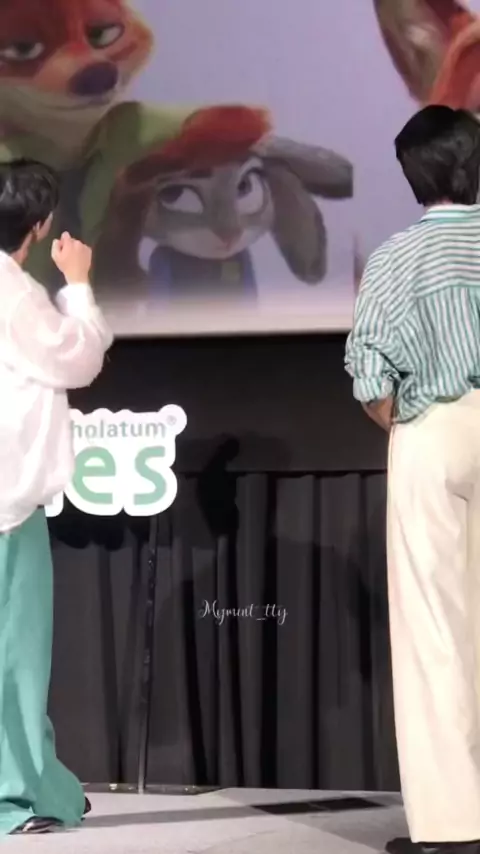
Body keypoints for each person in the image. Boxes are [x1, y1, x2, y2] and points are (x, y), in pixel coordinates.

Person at [345, 105, 480, 854]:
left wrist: (410, 426)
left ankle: (454, 827)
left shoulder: (394, 258)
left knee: (433, 630)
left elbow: (369, 375)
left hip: (429, 431)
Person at [0, 160, 112, 835]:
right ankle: (14, 798)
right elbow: (78, 356)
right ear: (40, 227)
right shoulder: (14, 293)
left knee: (16, 657)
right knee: (15, 658)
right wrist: (78, 284)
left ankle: (45, 786)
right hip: (7, 508)